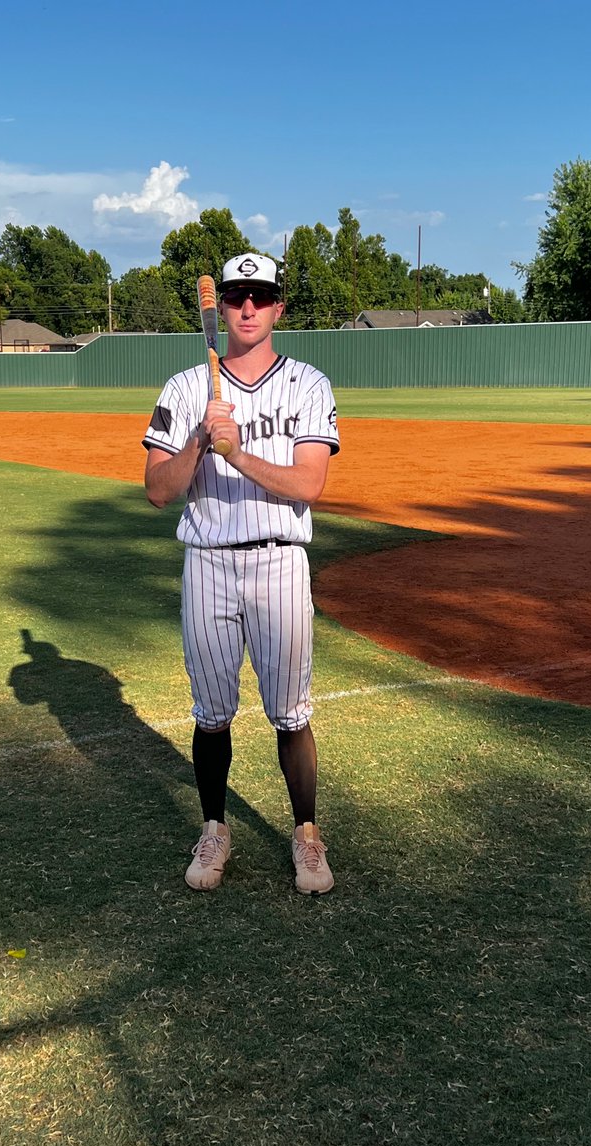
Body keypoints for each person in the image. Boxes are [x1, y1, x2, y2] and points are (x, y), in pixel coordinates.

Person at [143, 253, 340, 895]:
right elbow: (155, 490)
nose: (247, 307)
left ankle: (307, 835)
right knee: (211, 714)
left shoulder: (309, 383)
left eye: (260, 295)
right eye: (235, 296)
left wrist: (239, 452)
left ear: (279, 306)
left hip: (280, 562)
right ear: (219, 307)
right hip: (208, 563)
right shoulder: (182, 389)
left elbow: (309, 483)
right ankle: (215, 828)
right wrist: (201, 440)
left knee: (290, 713)